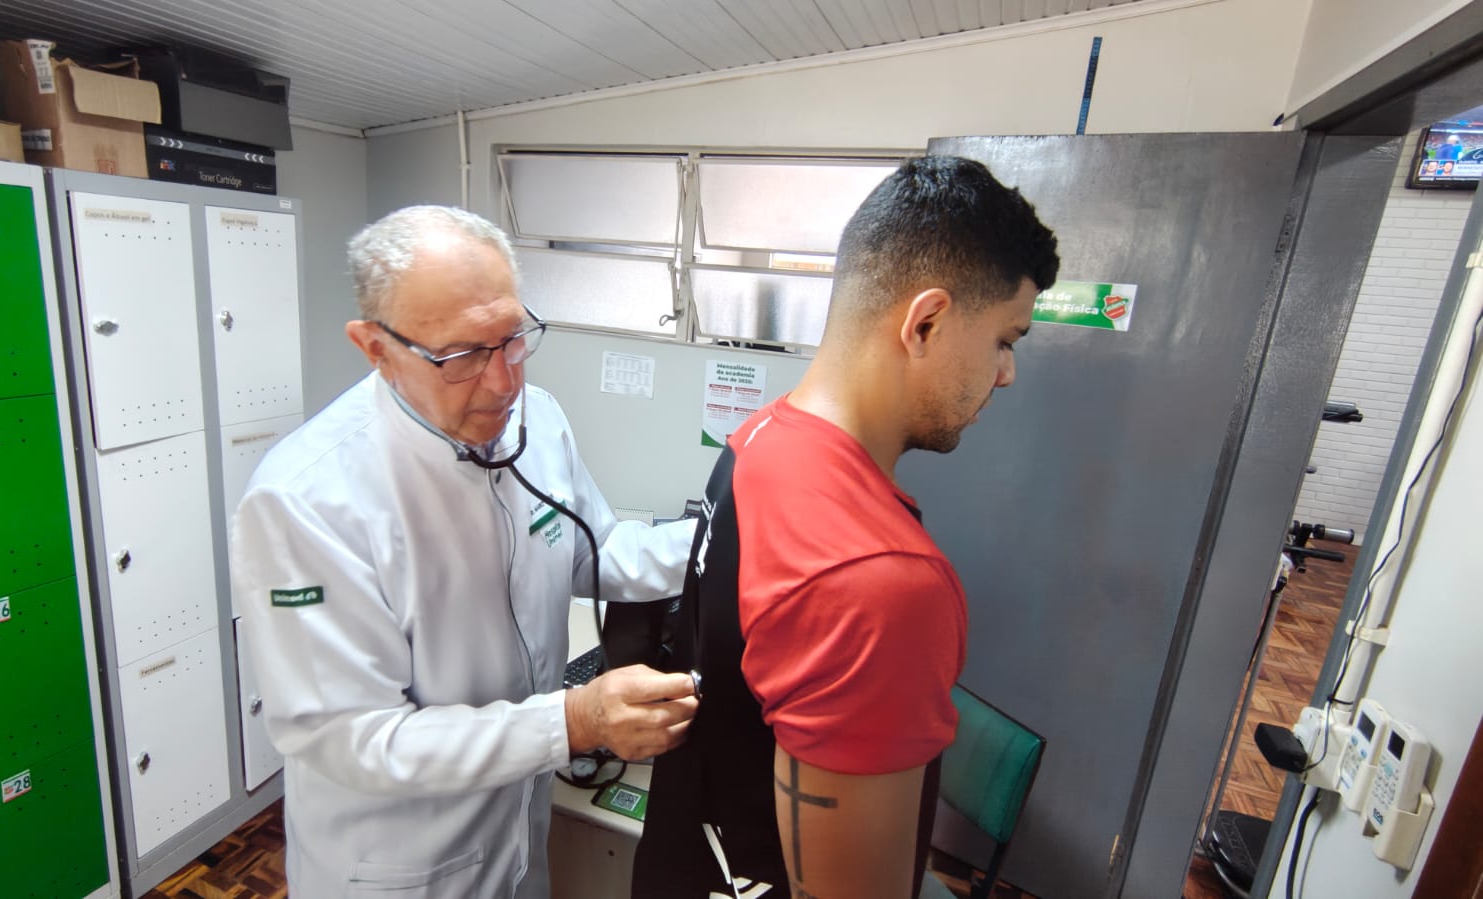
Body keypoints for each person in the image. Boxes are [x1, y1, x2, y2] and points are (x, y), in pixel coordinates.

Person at [229, 205, 700, 897]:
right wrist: (573, 720)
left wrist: (719, 541)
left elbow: (593, 551)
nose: (504, 381)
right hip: (401, 870)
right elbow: (359, 737)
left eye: (513, 338)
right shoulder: (305, 502)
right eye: (462, 356)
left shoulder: (535, 420)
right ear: (375, 347)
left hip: (518, 837)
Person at [634, 156, 1059, 899]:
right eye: (1005, 339)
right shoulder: (880, 580)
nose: (1006, 373)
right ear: (925, 322)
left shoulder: (758, 438)